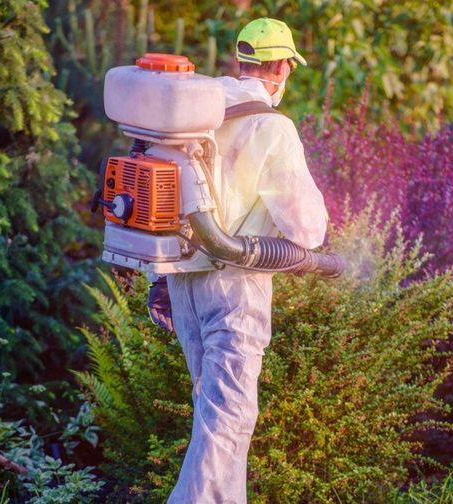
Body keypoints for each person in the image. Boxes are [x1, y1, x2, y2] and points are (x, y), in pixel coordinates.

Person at [147, 17, 328, 504]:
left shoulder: (196, 110)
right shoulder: (272, 126)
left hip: (180, 279)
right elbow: (307, 228)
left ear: (240, 60)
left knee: (215, 414)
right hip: (234, 283)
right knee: (228, 419)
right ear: (282, 67)